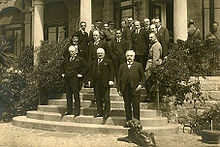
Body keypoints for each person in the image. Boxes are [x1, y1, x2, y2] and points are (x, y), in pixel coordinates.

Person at [117, 50, 145, 126]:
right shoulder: (122, 66)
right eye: (128, 56)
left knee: (136, 106)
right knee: (127, 105)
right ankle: (129, 122)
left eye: (131, 56)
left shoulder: (138, 65)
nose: (129, 57)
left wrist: (140, 85)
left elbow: (143, 78)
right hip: (125, 89)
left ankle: (137, 123)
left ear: (134, 57)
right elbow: (118, 78)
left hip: (135, 89)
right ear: (126, 57)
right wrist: (119, 89)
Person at [61, 45, 88, 117]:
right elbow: (62, 67)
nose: (71, 53)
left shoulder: (80, 59)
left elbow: (86, 67)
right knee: (68, 96)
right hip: (67, 79)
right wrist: (63, 73)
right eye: (70, 52)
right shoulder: (67, 59)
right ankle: (69, 110)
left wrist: (81, 74)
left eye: (72, 51)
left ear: (76, 51)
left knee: (76, 95)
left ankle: (77, 111)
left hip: (75, 80)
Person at [88, 48, 114, 119]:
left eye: (101, 53)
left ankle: (106, 113)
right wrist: (90, 80)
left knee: (106, 98)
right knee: (98, 98)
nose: (100, 55)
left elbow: (112, 71)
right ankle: (100, 112)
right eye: (98, 53)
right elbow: (91, 72)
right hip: (96, 82)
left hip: (105, 82)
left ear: (104, 54)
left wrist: (111, 80)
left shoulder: (108, 61)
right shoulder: (94, 62)